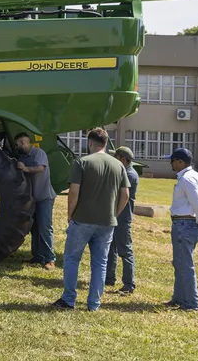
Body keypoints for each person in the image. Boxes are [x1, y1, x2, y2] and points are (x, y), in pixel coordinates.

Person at [52, 127, 129, 311]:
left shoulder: (82, 162)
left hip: (83, 219)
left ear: (90, 142)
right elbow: (125, 194)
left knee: (72, 259)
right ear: (105, 143)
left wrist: (70, 214)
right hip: (107, 222)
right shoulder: (118, 165)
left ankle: (69, 299)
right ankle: (94, 303)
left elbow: (74, 192)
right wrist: (114, 214)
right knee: (100, 263)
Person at [166, 147, 198, 311]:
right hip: (188, 224)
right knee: (180, 263)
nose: (170, 163)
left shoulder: (186, 179)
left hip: (184, 224)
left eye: (172, 161)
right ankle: (178, 298)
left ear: (180, 162)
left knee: (185, 265)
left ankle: (191, 303)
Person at [15, 133, 58, 270]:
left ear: (23, 143)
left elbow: (41, 168)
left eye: (17, 144)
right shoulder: (23, 157)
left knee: (45, 228)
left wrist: (26, 168)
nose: (17, 147)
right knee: (35, 228)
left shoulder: (39, 153)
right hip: (34, 198)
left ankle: (50, 259)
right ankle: (37, 256)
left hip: (45, 197)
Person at [106, 146, 139, 294]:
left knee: (125, 251)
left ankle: (128, 284)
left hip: (122, 218)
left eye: (116, 158)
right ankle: (109, 278)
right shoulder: (125, 172)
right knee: (110, 249)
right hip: (116, 217)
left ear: (124, 160)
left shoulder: (130, 175)